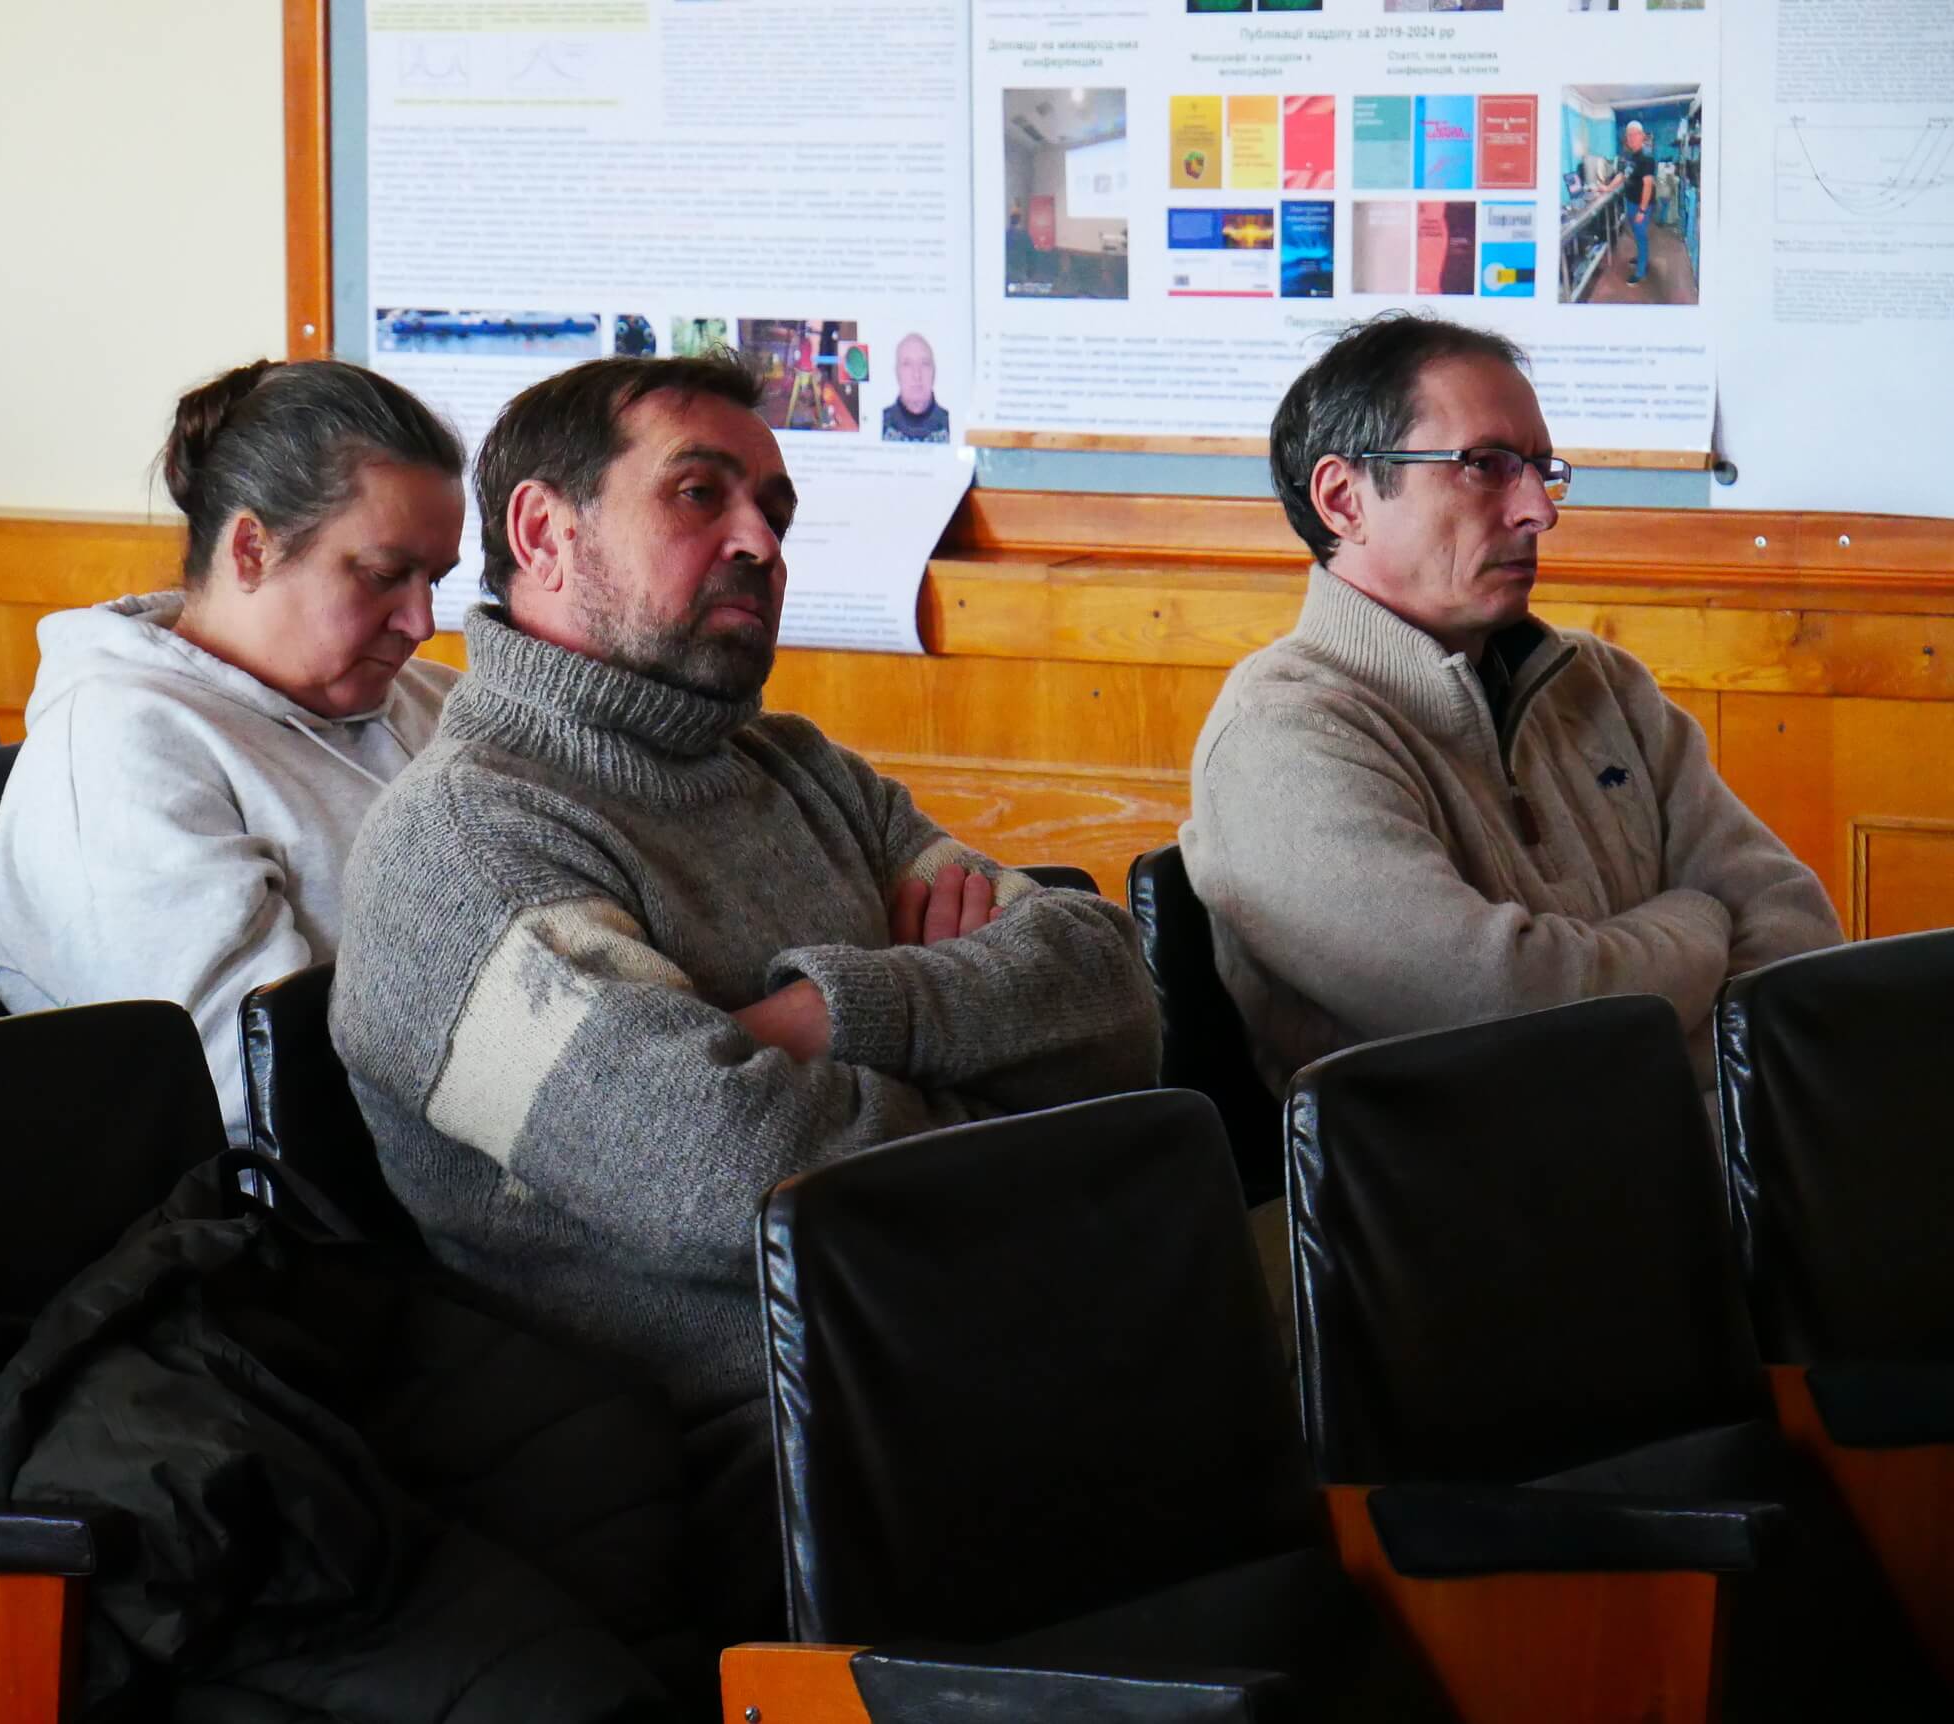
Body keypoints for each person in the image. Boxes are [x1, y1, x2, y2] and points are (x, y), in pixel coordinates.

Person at [330, 350, 1160, 1638]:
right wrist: (999, 1088)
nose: (759, 542)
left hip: (964, 1347)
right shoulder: (463, 844)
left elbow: (1113, 998)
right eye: (698, 493)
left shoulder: (796, 766)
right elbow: (732, 1170)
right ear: (543, 533)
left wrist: (835, 1013)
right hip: (746, 1450)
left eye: (773, 507)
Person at [1186, 313, 1840, 1099]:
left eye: (1540, 468)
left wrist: (1638, 1036)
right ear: (1343, 499)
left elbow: (1796, 932)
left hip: (1707, 1152)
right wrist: (1700, 923)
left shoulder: (1601, 685)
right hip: (1463, 1178)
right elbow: (1509, 1014)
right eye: (1486, 466)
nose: (1540, 510)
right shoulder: (1280, 738)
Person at [0, 358, 465, 1139]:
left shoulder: (436, 703)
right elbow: (250, 1083)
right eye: (384, 575)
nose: (421, 623)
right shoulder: (121, 748)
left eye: (433, 580)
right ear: (250, 550)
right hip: (296, 1196)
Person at [1600, 120, 1656, 285]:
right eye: (1628, 135)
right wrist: (1607, 188)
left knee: (1641, 235)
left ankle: (1641, 270)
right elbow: (1622, 175)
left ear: (1642, 136)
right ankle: (1641, 257)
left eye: (1634, 135)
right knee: (1637, 234)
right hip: (1631, 202)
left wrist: (1642, 210)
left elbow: (1647, 185)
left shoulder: (1647, 158)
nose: (1630, 138)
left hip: (1641, 205)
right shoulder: (1632, 156)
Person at [881, 332, 951, 443]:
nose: (917, 375)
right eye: (907, 364)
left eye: (924, 363)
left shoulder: (954, 426)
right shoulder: (878, 425)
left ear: (934, 372)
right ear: (897, 373)